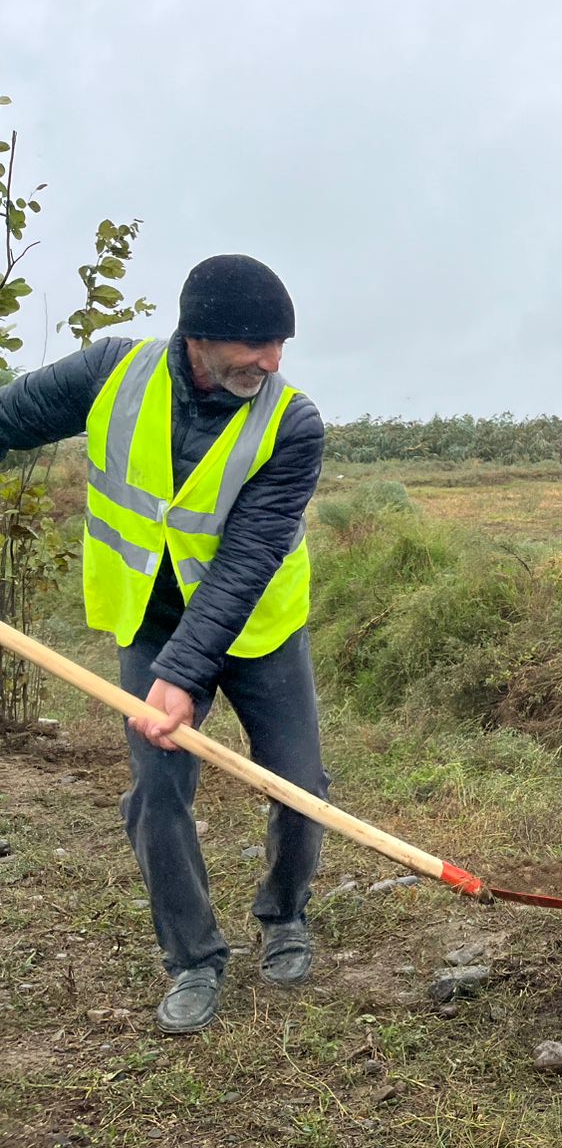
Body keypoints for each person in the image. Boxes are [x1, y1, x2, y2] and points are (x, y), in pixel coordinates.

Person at [0, 255, 328, 1035]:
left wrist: (184, 674)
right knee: (157, 790)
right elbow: (9, 417)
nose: (272, 361)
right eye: (256, 345)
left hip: (258, 626)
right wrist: (169, 666)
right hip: (149, 613)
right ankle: (193, 958)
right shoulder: (115, 370)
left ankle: (283, 914)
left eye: (281, 345)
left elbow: (246, 561)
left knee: (299, 781)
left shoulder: (294, 424)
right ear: (199, 338)